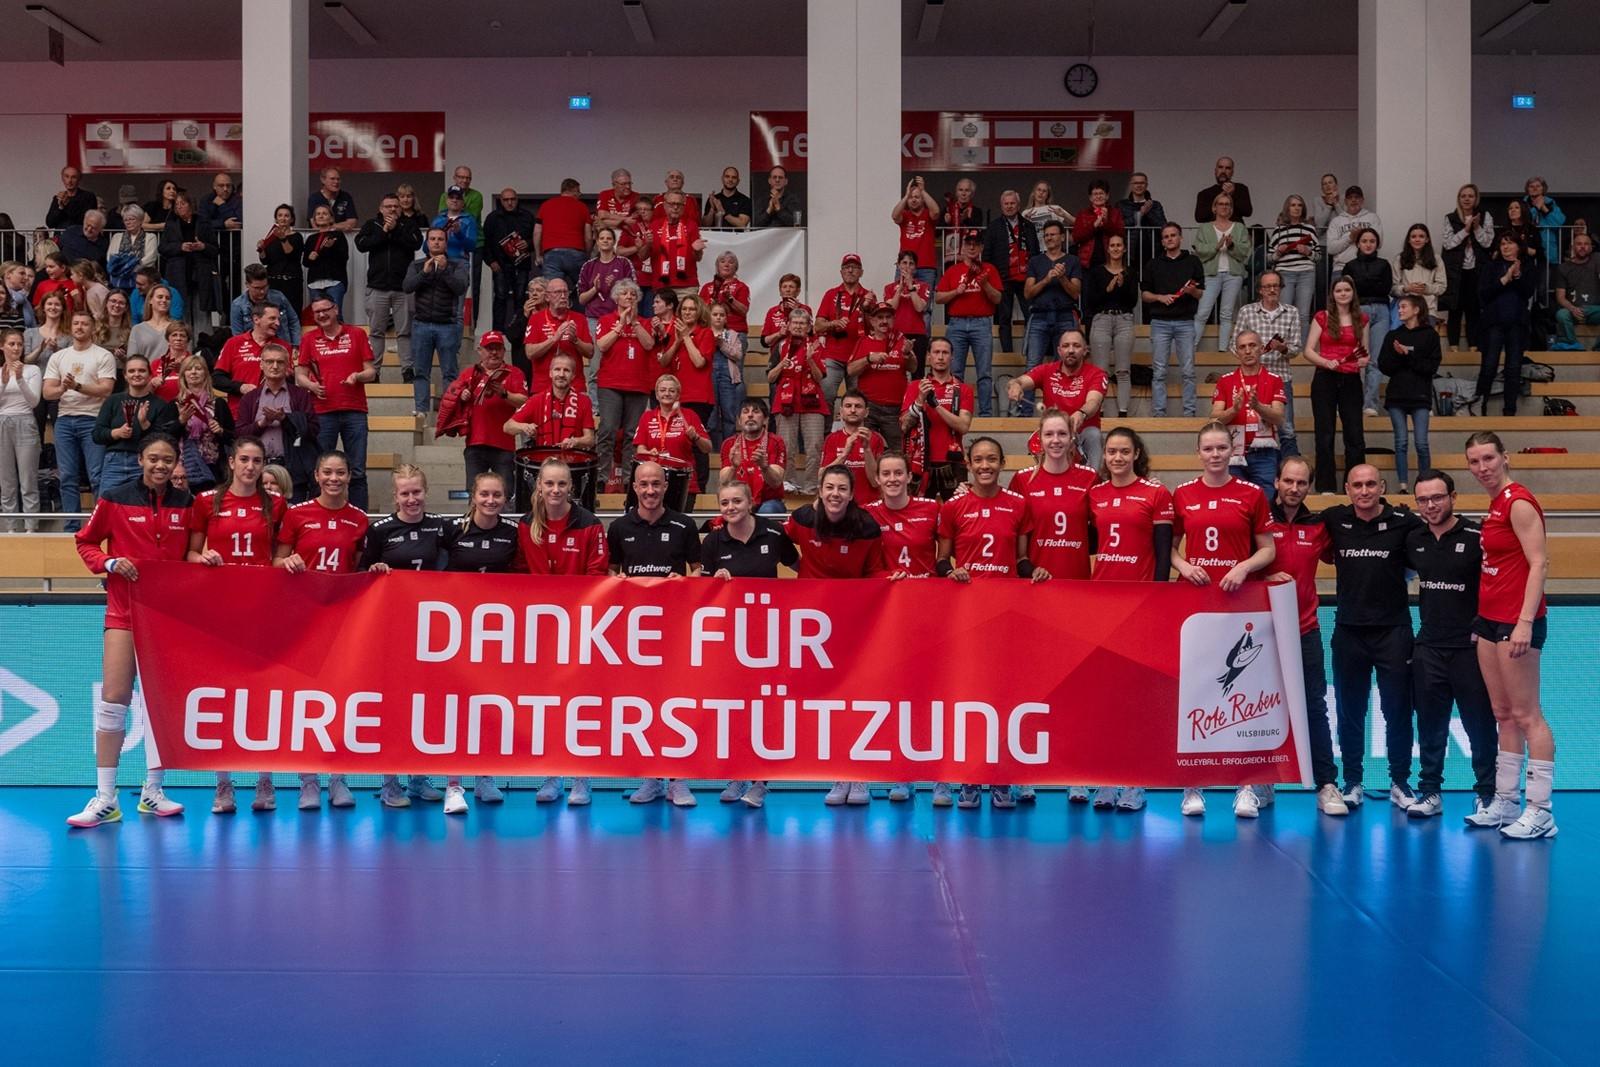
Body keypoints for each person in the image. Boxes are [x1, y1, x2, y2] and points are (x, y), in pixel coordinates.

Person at [65, 433, 193, 828]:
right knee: (114, 698)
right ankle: (105, 798)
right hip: (123, 613)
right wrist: (110, 563)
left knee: (159, 705)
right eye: (153, 458)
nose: (160, 466)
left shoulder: (188, 503)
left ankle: (153, 792)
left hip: (169, 620)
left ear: (175, 464)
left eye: (167, 460)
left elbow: (190, 551)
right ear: (140, 459)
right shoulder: (115, 497)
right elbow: (86, 542)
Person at [1170, 422, 1276, 817]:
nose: (1215, 454)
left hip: (1237, 604)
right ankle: (1192, 787)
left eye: (1221, 448)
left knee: (1240, 696)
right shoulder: (1182, 494)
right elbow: (1168, 549)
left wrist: (1244, 567)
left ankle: (1246, 785)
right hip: (1194, 605)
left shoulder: (1251, 494)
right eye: (1208, 448)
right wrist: (1184, 564)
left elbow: (1267, 549)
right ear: (1198, 452)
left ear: (1233, 449)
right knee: (1194, 693)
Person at [186, 436, 288, 814]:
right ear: (231, 462)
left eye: (256, 460)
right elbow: (191, 553)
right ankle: (223, 784)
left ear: (263, 465)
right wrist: (204, 556)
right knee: (221, 697)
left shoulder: (275, 505)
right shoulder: (206, 501)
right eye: (243, 459)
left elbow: (281, 555)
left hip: (262, 610)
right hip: (219, 611)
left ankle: (265, 781)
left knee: (263, 697)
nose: (249, 466)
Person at [1463, 432, 1555, 838]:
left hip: (1516, 623)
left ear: (1505, 458)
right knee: (1502, 713)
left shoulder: (1518, 501)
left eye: (1488, 458)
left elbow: (1539, 564)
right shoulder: (1494, 504)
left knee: (1526, 714)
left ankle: (1541, 809)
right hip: (1488, 620)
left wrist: (1524, 622)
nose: (1482, 467)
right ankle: (1505, 802)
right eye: (1474, 461)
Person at [785, 464, 888, 806]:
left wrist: (893, 583)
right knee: (825, 705)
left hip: (853, 626)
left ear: (851, 494)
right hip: (811, 629)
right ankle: (836, 774)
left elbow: (874, 572)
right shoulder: (801, 519)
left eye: (842, 489)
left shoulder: (866, 528)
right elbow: (777, 543)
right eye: (829, 487)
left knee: (855, 701)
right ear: (820, 489)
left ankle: (858, 778)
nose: (835, 494)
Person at [1320, 462, 1421, 809]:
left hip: (1394, 631)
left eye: (1371, 485)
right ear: (1347, 489)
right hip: (1349, 632)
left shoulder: (1405, 523)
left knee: (1397, 710)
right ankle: (1352, 782)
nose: (1364, 491)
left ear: (1382, 486)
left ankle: (1401, 782)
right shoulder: (1334, 520)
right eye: (1357, 485)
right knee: (1350, 711)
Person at [274, 451, 370, 810]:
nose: (334, 478)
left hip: (341, 621)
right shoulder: (297, 514)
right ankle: (307, 781)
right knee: (306, 701)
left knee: (339, 700)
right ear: (316, 475)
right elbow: (276, 560)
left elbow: (360, 570)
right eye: (327, 472)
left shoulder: (359, 519)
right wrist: (288, 561)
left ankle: (338, 778)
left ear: (349, 476)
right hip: (303, 619)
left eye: (341, 473)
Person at [937, 436, 1028, 809]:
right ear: (969, 466)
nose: (985, 465)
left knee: (1004, 698)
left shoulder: (1018, 505)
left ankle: (1002, 778)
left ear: (1002, 463)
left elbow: (1021, 562)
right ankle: (970, 778)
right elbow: (941, 561)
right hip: (967, 616)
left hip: (1007, 616)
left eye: (992, 459)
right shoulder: (954, 507)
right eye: (978, 460)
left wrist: (1034, 572)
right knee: (970, 699)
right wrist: (953, 572)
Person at [1403, 468, 1497, 819]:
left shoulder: (1478, 535)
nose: (1430, 505)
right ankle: (1430, 791)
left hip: (1471, 649)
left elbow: (1498, 583)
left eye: (1437, 497)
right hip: (1428, 646)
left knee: (1480, 725)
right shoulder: (1414, 539)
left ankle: (1488, 795)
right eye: (1423, 500)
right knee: (1430, 724)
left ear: (1453, 498)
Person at [1263, 454, 1347, 816]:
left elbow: (1345, 553)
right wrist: (1263, 579)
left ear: (1309, 486)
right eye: (1288, 481)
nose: (1294, 489)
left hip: (1305, 629)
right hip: (1260, 632)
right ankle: (1259, 782)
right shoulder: (1259, 521)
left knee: (1315, 707)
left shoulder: (1319, 526)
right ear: (1277, 482)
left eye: (1302, 483)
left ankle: (1327, 784)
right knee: (1259, 709)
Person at [361, 464, 449, 807]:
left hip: (431, 634)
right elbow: (361, 575)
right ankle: (389, 781)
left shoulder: (441, 527)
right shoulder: (380, 530)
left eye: (417, 492)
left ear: (425, 491)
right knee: (393, 706)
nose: (411, 499)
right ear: (394, 496)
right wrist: (375, 571)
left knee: (424, 706)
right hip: (392, 632)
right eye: (404, 493)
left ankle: (418, 777)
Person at [296, 296, 376, 509]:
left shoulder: (357, 333)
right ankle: (321, 513)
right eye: (316, 312)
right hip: (322, 412)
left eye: (325, 310)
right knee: (322, 469)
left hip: (355, 410)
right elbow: (299, 376)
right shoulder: (309, 338)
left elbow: (371, 371)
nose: (321, 315)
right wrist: (312, 386)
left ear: (336, 309)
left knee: (357, 470)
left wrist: (357, 376)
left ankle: (360, 517)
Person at [44, 311, 118, 521]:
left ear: (93, 328)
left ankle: (100, 523)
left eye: (84, 324)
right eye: (76, 323)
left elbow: (106, 389)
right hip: (65, 419)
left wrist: (76, 386)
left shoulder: (103, 355)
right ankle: (71, 526)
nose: (79, 327)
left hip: (93, 419)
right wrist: (62, 388)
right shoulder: (59, 356)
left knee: (97, 476)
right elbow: (47, 392)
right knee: (67, 476)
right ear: (71, 327)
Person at [1006, 328, 1107, 470]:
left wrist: (1081, 413)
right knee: (1048, 433)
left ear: (1085, 350)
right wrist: (1015, 386)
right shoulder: (1046, 370)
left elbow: (1093, 402)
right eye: (1066, 346)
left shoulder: (1097, 374)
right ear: (1059, 350)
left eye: (1076, 346)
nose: (1070, 350)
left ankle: (1094, 480)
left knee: (1093, 434)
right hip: (1056, 433)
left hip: (1082, 434)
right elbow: (1019, 381)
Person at [1304, 276, 1370, 493]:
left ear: (1353, 293)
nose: (1343, 293)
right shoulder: (1322, 317)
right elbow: (1308, 350)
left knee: (1354, 434)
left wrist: (1363, 360)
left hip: (1351, 379)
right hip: (1325, 378)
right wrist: (1326, 362)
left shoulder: (1362, 318)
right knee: (1325, 434)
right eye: (1339, 290)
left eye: (1346, 290)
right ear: (1332, 294)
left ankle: (1356, 485)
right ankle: (1326, 486)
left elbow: (1365, 352)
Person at [1231, 271, 1304, 458]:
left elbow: (1296, 349)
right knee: (1249, 424)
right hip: (1252, 377)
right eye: (1267, 286)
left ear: (1280, 288)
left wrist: (1282, 348)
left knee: (1286, 429)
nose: (1272, 290)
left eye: (1276, 286)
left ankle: (1290, 475)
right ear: (1260, 290)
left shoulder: (1292, 312)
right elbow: (1234, 345)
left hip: (1281, 377)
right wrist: (1253, 353)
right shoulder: (1247, 311)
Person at [504, 350, 591, 505]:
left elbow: (590, 439)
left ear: (573, 375)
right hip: (542, 469)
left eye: (566, 370)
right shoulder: (536, 400)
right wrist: (524, 426)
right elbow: (507, 427)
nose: (561, 374)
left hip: (571, 467)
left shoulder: (584, 401)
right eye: (557, 369)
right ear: (550, 373)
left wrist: (576, 441)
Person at [593, 278, 656, 492]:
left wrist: (634, 322)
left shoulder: (645, 322)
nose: (629, 297)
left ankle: (631, 482)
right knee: (608, 430)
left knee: (632, 434)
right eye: (624, 293)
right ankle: (601, 478)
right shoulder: (606, 319)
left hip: (638, 386)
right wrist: (620, 324)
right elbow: (602, 345)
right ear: (616, 298)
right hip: (610, 384)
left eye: (632, 294)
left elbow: (649, 344)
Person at [238, 343, 319, 499]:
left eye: (280, 362)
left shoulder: (300, 395)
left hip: (292, 469)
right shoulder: (250, 398)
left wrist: (284, 419)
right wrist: (262, 423)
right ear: (261, 365)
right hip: (258, 469)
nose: (274, 366)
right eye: (269, 362)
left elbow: (313, 430)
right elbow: (239, 434)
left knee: (293, 515)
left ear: (288, 365)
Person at [1378, 295, 1442, 492]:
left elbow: (1431, 366)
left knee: (1421, 443)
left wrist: (1409, 355)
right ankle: (1403, 485)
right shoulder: (1393, 335)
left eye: (1404, 306)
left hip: (1420, 396)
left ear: (1416, 309)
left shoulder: (1430, 335)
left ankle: (1427, 484)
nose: (1400, 310)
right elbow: (1384, 366)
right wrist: (1400, 356)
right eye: (1399, 307)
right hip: (1397, 394)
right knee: (1401, 441)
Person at [1020, 220, 1084, 416]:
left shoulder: (1072, 260)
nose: (1049, 238)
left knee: (1064, 366)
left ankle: (1060, 412)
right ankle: (1025, 413)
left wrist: (1062, 277)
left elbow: (1075, 293)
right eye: (1046, 235)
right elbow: (1027, 293)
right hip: (1039, 315)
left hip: (1065, 315)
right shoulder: (1036, 261)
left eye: (1053, 234)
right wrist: (1047, 279)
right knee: (1033, 365)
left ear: (1062, 236)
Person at [93, 354, 181, 494]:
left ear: (150, 375)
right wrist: (116, 433)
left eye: (141, 371)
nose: (137, 374)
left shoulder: (160, 405)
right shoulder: (113, 401)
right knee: (108, 506)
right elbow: (97, 434)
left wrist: (145, 424)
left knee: (144, 507)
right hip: (114, 461)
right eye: (132, 371)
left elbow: (164, 440)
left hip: (145, 462)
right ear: (125, 376)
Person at [404, 227, 469, 417]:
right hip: (421, 324)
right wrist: (424, 273)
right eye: (432, 239)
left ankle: (449, 411)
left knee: (449, 371)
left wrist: (444, 270)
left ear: (446, 243)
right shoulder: (416, 265)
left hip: (447, 325)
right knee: (420, 371)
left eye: (440, 239)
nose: (436, 242)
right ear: (427, 243)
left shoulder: (458, 265)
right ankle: (422, 410)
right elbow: (407, 287)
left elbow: (460, 288)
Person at [1209, 330, 1285, 490]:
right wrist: (1234, 410)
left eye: (1252, 345)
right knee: (1235, 502)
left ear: (1262, 348)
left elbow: (1279, 418)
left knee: (1265, 502)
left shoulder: (1274, 379)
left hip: (1264, 453)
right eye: (1242, 347)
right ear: (1237, 353)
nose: (1248, 351)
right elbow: (1214, 419)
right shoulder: (1225, 380)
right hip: (1233, 452)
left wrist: (1258, 406)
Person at [936, 234, 1003, 416]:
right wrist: (955, 292)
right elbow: (938, 298)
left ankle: (985, 413)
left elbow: (998, 298)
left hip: (982, 323)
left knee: (984, 372)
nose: (972, 248)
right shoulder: (953, 270)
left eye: (976, 245)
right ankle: (956, 413)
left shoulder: (989, 269)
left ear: (981, 248)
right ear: (962, 248)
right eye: (968, 244)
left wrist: (986, 284)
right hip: (957, 323)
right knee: (956, 372)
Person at [900, 336, 974, 502]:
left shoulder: (963, 389)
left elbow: (963, 426)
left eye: (945, 353)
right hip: (920, 463)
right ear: (928, 356)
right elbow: (904, 426)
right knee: (919, 514)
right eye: (936, 352)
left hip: (953, 462)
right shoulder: (915, 386)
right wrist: (919, 401)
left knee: (958, 514)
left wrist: (936, 406)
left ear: (952, 357)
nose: (940, 357)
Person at [1142, 222, 1204, 416]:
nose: (1169, 239)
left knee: (1188, 371)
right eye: (1166, 236)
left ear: (1180, 237)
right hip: (1160, 322)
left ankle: (1189, 413)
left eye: (1173, 235)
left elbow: (1200, 294)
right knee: (1159, 372)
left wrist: (1191, 290)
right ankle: (1159, 413)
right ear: (1162, 241)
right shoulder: (1153, 264)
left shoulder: (1193, 261)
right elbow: (1144, 294)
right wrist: (1160, 297)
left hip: (1186, 321)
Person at [355, 194, 422, 371]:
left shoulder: (408, 225)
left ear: (400, 209)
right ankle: (374, 371)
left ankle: (407, 370)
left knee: (405, 332)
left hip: (403, 288)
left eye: (395, 206)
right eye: (388, 206)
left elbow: (416, 243)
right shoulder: (372, 225)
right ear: (380, 208)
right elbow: (361, 244)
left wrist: (397, 230)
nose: (392, 209)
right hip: (377, 287)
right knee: (376, 332)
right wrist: (384, 232)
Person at [657, 293, 716, 493]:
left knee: (697, 442)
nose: (687, 312)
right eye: (684, 309)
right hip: (678, 398)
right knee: (681, 441)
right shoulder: (675, 332)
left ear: (699, 311)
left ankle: (700, 487)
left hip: (699, 397)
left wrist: (686, 339)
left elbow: (699, 362)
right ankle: (681, 485)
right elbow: (663, 362)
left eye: (691, 309)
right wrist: (677, 341)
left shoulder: (706, 333)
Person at [768, 305, 828, 494]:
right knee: (786, 445)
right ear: (788, 324)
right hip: (786, 400)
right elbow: (770, 378)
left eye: (803, 323)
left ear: (810, 326)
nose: (799, 326)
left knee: (815, 446)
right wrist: (780, 366)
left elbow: (820, 378)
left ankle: (811, 486)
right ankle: (789, 482)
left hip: (812, 401)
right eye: (795, 322)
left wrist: (810, 360)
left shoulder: (817, 345)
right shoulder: (779, 345)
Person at [1476, 231, 1536, 417]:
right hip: (1494, 322)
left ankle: (1510, 410)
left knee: (1513, 367)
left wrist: (1517, 276)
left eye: (1510, 243)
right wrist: (1504, 279)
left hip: (1517, 322)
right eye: (1502, 244)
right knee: (1489, 365)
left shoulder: (1527, 266)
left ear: (1519, 247)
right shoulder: (1490, 267)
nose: (1506, 247)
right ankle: (1479, 406)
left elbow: (1527, 292)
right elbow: (1483, 294)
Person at [631, 374, 709, 512]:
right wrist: (649, 453)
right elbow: (640, 450)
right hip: (654, 484)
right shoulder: (647, 417)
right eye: (663, 390)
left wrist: (696, 437)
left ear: (678, 395)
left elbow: (707, 448)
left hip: (684, 482)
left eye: (672, 391)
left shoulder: (690, 415)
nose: (667, 393)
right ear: (656, 394)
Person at [578, 228, 636, 405]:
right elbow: (581, 299)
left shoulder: (624, 263)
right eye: (601, 238)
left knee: (622, 363)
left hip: (619, 318)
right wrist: (595, 289)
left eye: (608, 238)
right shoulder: (588, 266)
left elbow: (633, 294)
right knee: (595, 366)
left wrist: (630, 317)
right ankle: (596, 407)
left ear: (614, 242)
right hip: (594, 319)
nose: (605, 241)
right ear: (596, 242)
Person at [1083, 233, 1136, 418]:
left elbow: (1133, 301)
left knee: (1123, 369)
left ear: (1124, 248)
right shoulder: (1097, 272)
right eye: (1112, 245)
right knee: (1100, 371)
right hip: (1101, 319)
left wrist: (1121, 286)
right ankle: (1100, 410)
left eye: (1119, 245)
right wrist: (1108, 289)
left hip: (1124, 320)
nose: (1115, 248)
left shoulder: (1129, 272)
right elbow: (1090, 301)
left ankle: (1123, 412)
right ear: (1108, 249)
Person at [1341, 227, 1393, 414]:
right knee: (1355, 356)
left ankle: (1370, 404)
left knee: (1375, 359)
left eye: (1372, 241)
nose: (1368, 244)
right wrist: (1371, 284)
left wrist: (1363, 284)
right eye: (1364, 241)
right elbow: (1348, 290)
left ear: (1377, 244)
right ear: (1358, 244)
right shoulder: (1350, 266)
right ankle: (1351, 403)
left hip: (1381, 311)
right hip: (1358, 311)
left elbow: (1385, 288)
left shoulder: (1385, 264)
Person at [847, 301, 911, 452]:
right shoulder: (863, 342)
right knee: (865, 451)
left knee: (899, 453)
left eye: (888, 317)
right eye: (879, 317)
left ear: (893, 320)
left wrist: (908, 354)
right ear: (872, 321)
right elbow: (850, 370)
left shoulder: (901, 340)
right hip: (870, 408)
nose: (884, 321)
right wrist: (868, 359)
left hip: (895, 409)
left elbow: (913, 367)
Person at [1191, 194, 1251, 353]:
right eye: (1221, 204)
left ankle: (1223, 350)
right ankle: (1191, 348)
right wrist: (1216, 247)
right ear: (1214, 207)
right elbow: (1199, 250)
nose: (1224, 207)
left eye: (1227, 204)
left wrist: (1231, 246)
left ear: (1231, 209)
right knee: (1202, 312)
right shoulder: (1205, 228)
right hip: (1211, 274)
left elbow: (1245, 252)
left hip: (1233, 274)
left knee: (1226, 313)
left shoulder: (1239, 228)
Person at [700, 252, 751, 438]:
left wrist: (729, 299)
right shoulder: (707, 287)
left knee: (736, 378)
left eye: (731, 262)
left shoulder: (741, 287)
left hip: (734, 333)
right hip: (708, 333)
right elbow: (700, 312)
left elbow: (744, 310)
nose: (726, 264)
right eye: (722, 261)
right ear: (716, 265)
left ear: (736, 267)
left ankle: (735, 416)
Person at [983, 189, 1038, 354]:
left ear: (1018, 205)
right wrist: (991, 277)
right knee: (1004, 318)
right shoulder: (994, 227)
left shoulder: (1028, 226)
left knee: (1031, 316)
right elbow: (987, 255)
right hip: (1003, 277)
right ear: (1001, 205)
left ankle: (1030, 351)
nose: (1009, 206)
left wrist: (1034, 275)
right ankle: (1007, 353)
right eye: (1006, 203)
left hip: (1026, 278)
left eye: (1012, 203)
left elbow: (1035, 251)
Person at [1441, 184, 1495, 351]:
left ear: (1476, 198)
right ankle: (1454, 346)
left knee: (1474, 309)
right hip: (1456, 270)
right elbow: (1448, 244)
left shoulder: (1485, 216)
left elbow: (1487, 243)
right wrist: (1465, 230)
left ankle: (1473, 345)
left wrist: (1477, 227)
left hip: (1477, 269)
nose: (1466, 199)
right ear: (1459, 198)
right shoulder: (1450, 217)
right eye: (1463, 196)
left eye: (1470, 196)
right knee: (1454, 308)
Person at [815, 253, 870, 408]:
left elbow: (874, 329)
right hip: (833, 355)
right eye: (847, 267)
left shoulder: (868, 296)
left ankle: (857, 432)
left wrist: (867, 309)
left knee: (858, 402)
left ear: (861, 272)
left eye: (855, 267)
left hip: (859, 357)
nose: (850, 270)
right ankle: (826, 433)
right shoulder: (831, 294)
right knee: (826, 397)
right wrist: (833, 323)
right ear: (841, 272)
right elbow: (817, 326)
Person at [0, 328, 42, 530]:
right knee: (6, 482)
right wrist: (4, 382)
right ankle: (10, 529)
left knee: (28, 479)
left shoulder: (32, 370)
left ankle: (31, 529)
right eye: (12, 344)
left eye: (19, 344)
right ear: (2, 346)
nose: (16, 348)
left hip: (25, 421)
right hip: (2, 422)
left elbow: (34, 401)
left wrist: (19, 379)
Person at [524, 277, 595, 394]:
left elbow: (590, 352)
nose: (563, 296)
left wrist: (575, 340)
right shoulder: (536, 319)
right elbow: (530, 353)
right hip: (543, 387)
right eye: (557, 292)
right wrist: (554, 339)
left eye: (565, 292)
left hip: (574, 386)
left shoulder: (579, 318)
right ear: (547, 297)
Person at [174, 355, 234, 493]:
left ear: (206, 374)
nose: (194, 372)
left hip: (214, 467)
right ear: (183, 375)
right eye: (189, 369)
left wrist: (220, 431)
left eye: (198, 368)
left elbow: (234, 437)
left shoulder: (218, 403)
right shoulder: (175, 405)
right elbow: (167, 436)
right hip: (184, 467)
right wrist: (180, 422)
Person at [159, 192, 219, 328]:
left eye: (183, 203)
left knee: (201, 313)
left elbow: (215, 249)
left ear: (191, 205)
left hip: (200, 274)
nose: (179, 207)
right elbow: (162, 248)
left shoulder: (203, 223)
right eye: (177, 204)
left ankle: (202, 345)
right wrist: (180, 247)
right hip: (178, 274)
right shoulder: (171, 224)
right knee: (180, 312)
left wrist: (203, 246)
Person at [480, 188, 535, 334]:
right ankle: (497, 332)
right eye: (506, 200)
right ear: (501, 201)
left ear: (517, 200)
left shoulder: (527, 216)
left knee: (521, 297)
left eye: (512, 199)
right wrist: (490, 261)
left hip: (522, 263)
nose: (510, 202)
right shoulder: (492, 218)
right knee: (500, 296)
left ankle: (521, 329)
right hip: (500, 264)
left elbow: (537, 239)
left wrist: (529, 244)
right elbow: (485, 242)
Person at [214, 303, 281, 420]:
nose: (277, 323)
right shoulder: (234, 343)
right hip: (239, 414)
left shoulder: (283, 346)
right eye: (272, 318)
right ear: (256, 319)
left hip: (272, 416)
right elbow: (217, 379)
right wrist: (241, 387)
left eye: (278, 319)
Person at [720, 398, 787, 515]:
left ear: (765, 419)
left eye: (756, 412)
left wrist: (765, 467)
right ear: (739, 420)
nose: (750, 415)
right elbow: (724, 483)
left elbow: (776, 482)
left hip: (768, 502)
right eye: (745, 412)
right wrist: (733, 467)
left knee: (768, 510)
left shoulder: (775, 442)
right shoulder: (730, 444)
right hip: (739, 501)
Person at [821, 390, 885, 507]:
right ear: (841, 411)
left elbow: (875, 482)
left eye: (858, 406)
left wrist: (867, 449)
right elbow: (822, 477)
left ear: (866, 412)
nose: (853, 410)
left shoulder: (876, 439)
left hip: (869, 507)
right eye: (848, 406)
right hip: (839, 507)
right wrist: (845, 453)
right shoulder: (831, 439)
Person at [1268, 194, 1320, 325]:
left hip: (1306, 273)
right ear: (1287, 208)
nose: (1297, 208)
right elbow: (1269, 258)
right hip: (1285, 274)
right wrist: (1279, 252)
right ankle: (1285, 346)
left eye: (1300, 205)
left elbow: (1319, 256)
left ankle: (1302, 346)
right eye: (1293, 205)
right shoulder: (1278, 231)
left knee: (1303, 314)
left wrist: (1308, 252)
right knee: (1284, 314)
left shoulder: (1310, 229)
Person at [534, 178, 592, 292]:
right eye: (579, 192)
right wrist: (588, 255)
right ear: (574, 190)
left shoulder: (546, 205)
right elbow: (588, 236)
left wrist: (538, 255)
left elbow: (537, 232)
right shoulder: (582, 207)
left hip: (552, 254)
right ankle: (581, 310)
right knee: (584, 291)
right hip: (576, 253)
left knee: (552, 292)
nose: (579, 195)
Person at [228, 263, 301, 345]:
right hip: (253, 350)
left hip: (282, 347)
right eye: (257, 288)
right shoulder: (238, 305)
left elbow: (293, 321)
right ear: (247, 285)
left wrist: (296, 345)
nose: (262, 291)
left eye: (264, 287)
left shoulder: (279, 297)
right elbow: (238, 336)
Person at [884, 251, 931, 375]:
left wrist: (911, 287)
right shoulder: (889, 287)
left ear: (915, 268)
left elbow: (920, 308)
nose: (907, 266)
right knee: (895, 371)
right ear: (898, 266)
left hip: (917, 335)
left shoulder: (923, 285)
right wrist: (899, 289)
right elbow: (891, 308)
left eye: (911, 264)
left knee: (918, 372)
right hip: (895, 335)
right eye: (904, 263)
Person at [1552, 231, 1600, 351]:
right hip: (1573, 310)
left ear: (1591, 247)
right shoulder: (1563, 268)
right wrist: (1572, 308)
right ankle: (1572, 344)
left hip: (1594, 310)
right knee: (1561, 314)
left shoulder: (1597, 259)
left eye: (1586, 244)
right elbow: (1560, 297)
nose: (1582, 246)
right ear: (1573, 247)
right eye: (1579, 244)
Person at [892, 176, 940, 295]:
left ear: (923, 199)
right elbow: (894, 216)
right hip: (904, 266)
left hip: (926, 267)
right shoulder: (905, 215)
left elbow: (936, 212)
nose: (913, 200)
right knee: (901, 300)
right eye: (911, 198)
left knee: (925, 307)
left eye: (917, 197)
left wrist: (923, 191)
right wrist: (906, 195)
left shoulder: (928, 215)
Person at [650, 190, 706, 293]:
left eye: (679, 204)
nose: (675, 207)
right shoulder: (655, 225)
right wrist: (645, 245)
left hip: (687, 286)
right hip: (661, 284)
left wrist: (697, 250)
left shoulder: (691, 225)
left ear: (683, 207)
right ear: (664, 205)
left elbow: (698, 258)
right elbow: (642, 256)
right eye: (672, 204)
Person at [1391, 224, 1447, 324]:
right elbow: (1393, 288)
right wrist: (1406, 289)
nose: (1417, 239)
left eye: (1421, 236)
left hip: (1428, 309)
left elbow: (1442, 287)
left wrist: (1426, 288)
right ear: (1408, 240)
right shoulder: (1399, 259)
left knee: (1425, 339)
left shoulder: (1436, 259)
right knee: (1403, 339)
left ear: (1427, 239)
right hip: (1405, 310)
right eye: (1413, 237)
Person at [1117, 171, 1167, 281]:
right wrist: (1141, 213)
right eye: (1136, 183)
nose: (1139, 185)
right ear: (1131, 185)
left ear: (1146, 185)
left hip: (1152, 250)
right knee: (1130, 283)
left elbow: (1163, 225)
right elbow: (1120, 224)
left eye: (1142, 183)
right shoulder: (1122, 205)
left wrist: (1148, 212)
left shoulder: (1155, 205)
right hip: (1130, 250)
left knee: (1151, 283)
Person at [302, 205, 350, 315]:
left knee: (335, 315)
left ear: (331, 218)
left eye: (324, 213)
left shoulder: (338, 235)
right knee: (319, 315)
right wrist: (310, 258)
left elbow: (344, 258)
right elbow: (305, 263)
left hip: (335, 281)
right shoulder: (311, 238)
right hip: (315, 282)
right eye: (318, 214)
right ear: (314, 220)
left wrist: (331, 248)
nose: (321, 216)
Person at [1326, 185, 1381, 276]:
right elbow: (1331, 249)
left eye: (1357, 197)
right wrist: (1350, 237)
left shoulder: (1372, 218)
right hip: (1341, 268)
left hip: (1367, 267)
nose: (1353, 200)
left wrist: (1362, 237)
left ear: (1362, 200)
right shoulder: (1336, 221)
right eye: (1350, 197)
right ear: (1345, 201)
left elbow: (1379, 243)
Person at [257, 204, 305, 309]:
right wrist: (261, 249)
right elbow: (265, 260)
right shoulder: (271, 237)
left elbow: (292, 255)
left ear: (292, 219)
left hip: (291, 281)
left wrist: (283, 238)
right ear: (276, 219)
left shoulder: (297, 236)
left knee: (292, 311)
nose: (283, 218)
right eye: (280, 215)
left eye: (286, 216)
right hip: (273, 280)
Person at [108, 206, 161, 295]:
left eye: (132, 219)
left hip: (142, 282)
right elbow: (111, 259)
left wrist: (127, 267)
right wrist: (128, 266)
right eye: (126, 220)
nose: (128, 222)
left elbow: (149, 259)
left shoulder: (151, 237)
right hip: (119, 282)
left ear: (140, 220)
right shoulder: (116, 237)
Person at [1522, 176, 1566, 269]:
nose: (1535, 188)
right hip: (1528, 248)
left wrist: (1544, 209)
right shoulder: (1521, 204)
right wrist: (1536, 208)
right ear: (1527, 189)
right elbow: (1524, 221)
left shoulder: (1551, 204)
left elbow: (1558, 224)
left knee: (1548, 280)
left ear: (1543, 188)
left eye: (1538, 186)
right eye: (1531, 186)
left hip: (1548, 247)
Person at [1193, 156, 1253, 223]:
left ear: (1232, 172)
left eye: (1228, 168)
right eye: (1220, 167)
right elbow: (1199, 217)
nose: (1223, 171)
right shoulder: (1204, 193)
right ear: (1215, 171)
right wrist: (1220, 198)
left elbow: (1247, 212)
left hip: (1236, 231)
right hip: (1213, 231)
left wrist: (1232, 195)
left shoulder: (1241, 188)